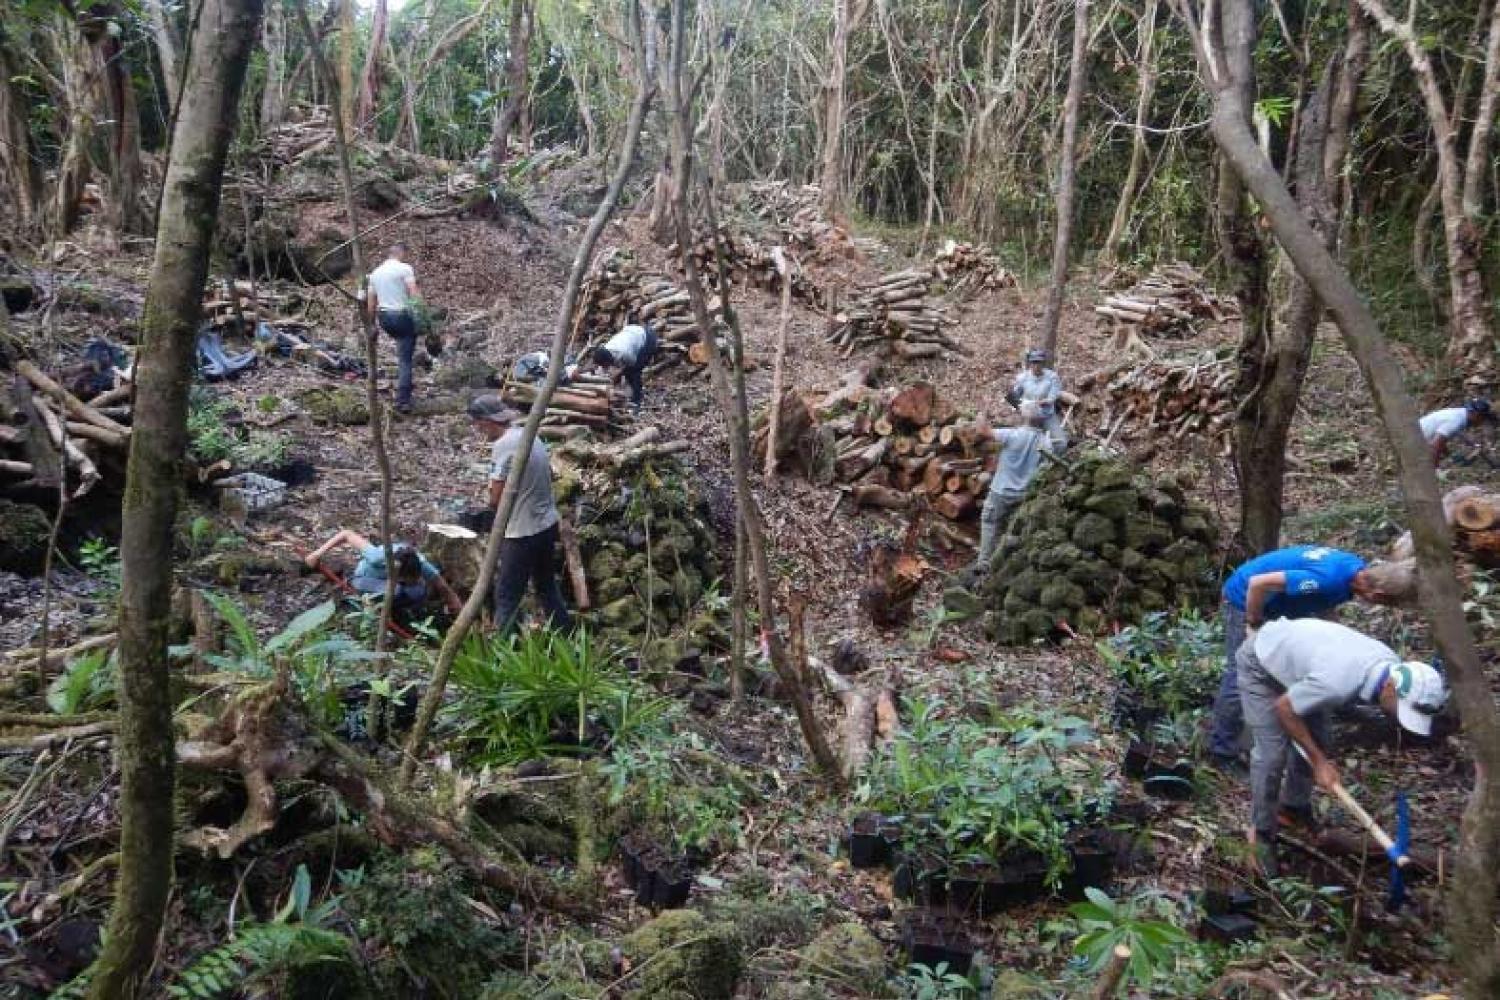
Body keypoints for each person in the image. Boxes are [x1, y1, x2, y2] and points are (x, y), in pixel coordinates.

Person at [1236, 617, 1446, 876]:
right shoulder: (1336, 683)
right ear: (1391, 688)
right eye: (1402, 709)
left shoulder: (1387, 663)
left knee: (1319, 740)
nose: (1398, 717)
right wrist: (1319, 762)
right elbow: (1285, 708)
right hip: (1261, 664)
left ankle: (1293, 808)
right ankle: (1261, 833)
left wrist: (1317, 754)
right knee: (1272, 755)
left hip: (1301, 667)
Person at [1209, 545, 1398, 771]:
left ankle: (1329, 713)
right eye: (1383, 603)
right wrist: (1253, 623)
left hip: (1280, 604)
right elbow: (1257, 583)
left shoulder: (1354, 570)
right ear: (1377, 595)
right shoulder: (1328, 578)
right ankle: (1222, 750)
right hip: (1246, 598)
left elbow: (1323, 605)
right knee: (1240, 672)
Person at [468, 395, 572, 635]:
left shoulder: (503, 445)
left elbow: (495, 498)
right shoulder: (528, 435)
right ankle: (567, 637)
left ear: (486, 421)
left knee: (507, 595)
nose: (478, 430)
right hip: (547, 523)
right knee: (546, 586)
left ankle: (507, 653)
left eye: (477, 425)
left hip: (522, 531)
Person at [974, 401, 1056, 570]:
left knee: (990, 523)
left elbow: (982, 430)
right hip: (1024, 496)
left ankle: (983, 564)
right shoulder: (1045, 443)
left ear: (1024, 417)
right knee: (1012, 530)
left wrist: (982, 414)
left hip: (1000, 492)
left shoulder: (1012, 435)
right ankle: (1004, 565)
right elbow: (1047, 469)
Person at [304, 529, 463, 614]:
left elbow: (441, 584)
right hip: (363, 579)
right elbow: (347, 534)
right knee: (398, 592)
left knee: (418, 591)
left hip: (391, 585)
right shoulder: (378, 557)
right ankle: (372, 606)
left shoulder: (419, 562)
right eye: (407, 579)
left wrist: (454, 602)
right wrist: (317, 553)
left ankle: (397, 607)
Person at [366, 243, 421, 413]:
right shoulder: (404, 269)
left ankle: (402, 386)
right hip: (401, 316)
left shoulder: (375, 273)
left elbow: (371, 302)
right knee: (405, 359)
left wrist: (371, 324)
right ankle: (403, 401)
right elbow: (413, 292)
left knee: (402, 350)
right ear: (401, 253)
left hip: (384, 318)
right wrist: (421, 315)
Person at [594, 322, 659, 411]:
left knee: (634, 372)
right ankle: (630, 392)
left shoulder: (624, 353)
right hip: (633, 332)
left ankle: (637, 401)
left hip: (648, 338)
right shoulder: (606, 349)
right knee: (627, 372)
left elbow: (630, 365)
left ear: (608, 361)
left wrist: (615, 378)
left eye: (605, 365)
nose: (605, 367)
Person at [1011, 348, 1067, 447]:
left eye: (1039, 363)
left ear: (1043, 363)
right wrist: (1019, 406)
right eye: (1034, 362)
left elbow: (1054, 394)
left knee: (1061, 443)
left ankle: (1050, 459)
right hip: (1028, 416)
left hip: (1046, 414)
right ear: (1030, 363)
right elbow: (1014, 397)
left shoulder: (1052, 377)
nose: (1036, 366)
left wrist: (1047, 401)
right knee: (1021, 442)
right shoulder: (1022, 378)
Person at [1418, 398, 1491, 463]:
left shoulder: (1459, 414)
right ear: (1477, 415)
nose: (1482, 422)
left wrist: (1449, 456)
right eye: (1483, 418)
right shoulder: (1457, 421)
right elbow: (1436, 445)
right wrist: (1434, 469)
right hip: (1414, 440)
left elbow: (1440, 441)